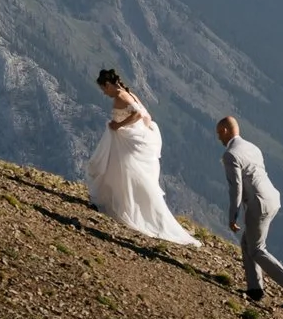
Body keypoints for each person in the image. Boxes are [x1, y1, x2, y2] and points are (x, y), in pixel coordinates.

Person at [83, 68, 198, 247]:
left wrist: (119, 125)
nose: (104, 93)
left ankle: (127, 207)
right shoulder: (128, 93)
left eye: (104, 89)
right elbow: (146, 117)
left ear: (108, 85)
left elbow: (137, 114)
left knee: (127, 173)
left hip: (127, 142)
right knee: (120, 171)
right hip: (130, 140)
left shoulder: (121, 97)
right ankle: (122, 204)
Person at [218, 116, 283, 306]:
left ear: (225, 131)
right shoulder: (252, 147)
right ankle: (255, 289)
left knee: (256, 248)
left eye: (219, 134)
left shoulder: (230, 154)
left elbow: (236, 188)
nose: (219, 139)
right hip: (272, 198)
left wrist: (233, 215)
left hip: (258, 204)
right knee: (248, 242)